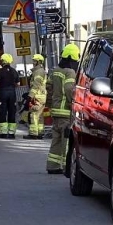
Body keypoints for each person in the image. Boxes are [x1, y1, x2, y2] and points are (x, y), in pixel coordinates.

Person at [46, 43, 80, 174]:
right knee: (67, 140)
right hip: (66, 111)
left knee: (56, 139)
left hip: (55, 111)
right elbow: (69, 89)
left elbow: (49, 88)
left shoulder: (55, 71)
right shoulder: (70, 72)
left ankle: (52, 165)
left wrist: (50, 105)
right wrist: (75, 102)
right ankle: (67, 167)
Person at [0, 53, 20, 138]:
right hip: (12, 93)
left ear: (3, 61)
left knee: (2, 112)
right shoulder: (14, 71)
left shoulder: (0, 71)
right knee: (12, 112)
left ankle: (4, 133)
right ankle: (12, 133)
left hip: (3, 93)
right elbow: (18, 84)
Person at [24, 54, 47, 140]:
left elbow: (36, 85)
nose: (33, 62)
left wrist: (30, 96)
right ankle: (40, 133)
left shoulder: (39, 72)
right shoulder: (40, 71)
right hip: (41, 96)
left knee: (33, 114)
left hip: (37, 96)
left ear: (39, 62)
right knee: (39, 116)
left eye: (34, 61)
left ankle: (33, 133)